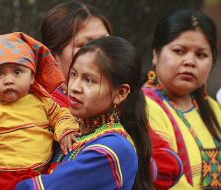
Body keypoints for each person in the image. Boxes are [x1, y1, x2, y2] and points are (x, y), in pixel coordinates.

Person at [40, 1, 183, 189]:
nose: (98, 52)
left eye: (106, 42)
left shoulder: (117, 106)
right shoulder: (38, 105)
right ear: (53, 57)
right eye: (86, 45)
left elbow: (171, 165)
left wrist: (116, 166)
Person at [16, 36, 154, 189]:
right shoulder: (70, 129)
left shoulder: (112, 149)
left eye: (89, 80)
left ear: (120, 93)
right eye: (74, 74)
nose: (74, 87)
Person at [0, 32, 80, 189]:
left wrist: (66, 131)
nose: (8, 80)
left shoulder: (43, 101)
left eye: (17, 72)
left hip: (39, 177)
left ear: (32, 76)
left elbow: (61, 115)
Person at [143, 9, 221, 189]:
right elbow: (168, 181)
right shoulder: (144, 107)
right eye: (179, 51)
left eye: (201, 55)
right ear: (156, 54)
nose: (190, 61)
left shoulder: (213, 108)